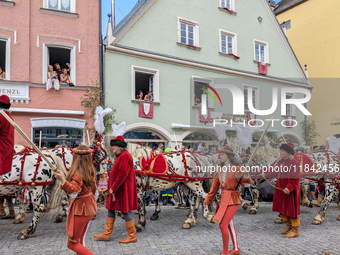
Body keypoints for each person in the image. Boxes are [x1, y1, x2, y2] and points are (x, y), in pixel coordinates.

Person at [204, 145, 252, 255]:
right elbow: (214, 187)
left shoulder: (236, 168)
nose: (219, 156)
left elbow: (247, 181)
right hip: (222, 200)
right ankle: (236, 249)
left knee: (222, 225)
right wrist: (208, 199)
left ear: (228, 156)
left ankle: (225, 252)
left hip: (233, 199)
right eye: (219, 154)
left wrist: (246, 174)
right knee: (229, 224)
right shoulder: (219, 170)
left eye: (222, 154)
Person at [93, 136, 138, 243]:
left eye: (114, 146)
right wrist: (109, 174)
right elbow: (118, 172)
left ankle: (132, 236)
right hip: (118, 189)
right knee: (110, 208)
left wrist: (113, 187)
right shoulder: (121, 156)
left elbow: (123, 174)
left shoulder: (125, 156)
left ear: (120, 146)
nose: (112, 148)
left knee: (125, 211)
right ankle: (107, 234)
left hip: (122, 189)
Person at [54, 145, 97, 255]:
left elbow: (73, 193)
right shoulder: (91, 170)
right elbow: (94, 191)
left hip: (80, 210)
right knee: (80, 241)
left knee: (72, 243)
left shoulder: (77, 172)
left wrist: (62, 180)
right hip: (90, 208)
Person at [261, 142, 301, 238]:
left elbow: (296, 179)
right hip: (280, 190)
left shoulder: (294, 163)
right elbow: (274, 173)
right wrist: (265, 175)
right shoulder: (280, 162)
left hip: (291, 191)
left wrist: (289, 187)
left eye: (282, 150)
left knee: (292, 210)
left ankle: (295, 230)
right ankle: (288, 226)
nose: (281, 152)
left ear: (288, 153)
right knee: (282, 209)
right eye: (281, 150)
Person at [0, 95, 15, 219]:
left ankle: (2, 211)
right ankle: (10, 210)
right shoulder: (9, 117)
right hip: (9, 148)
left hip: (2, 148)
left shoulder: (1, 116)